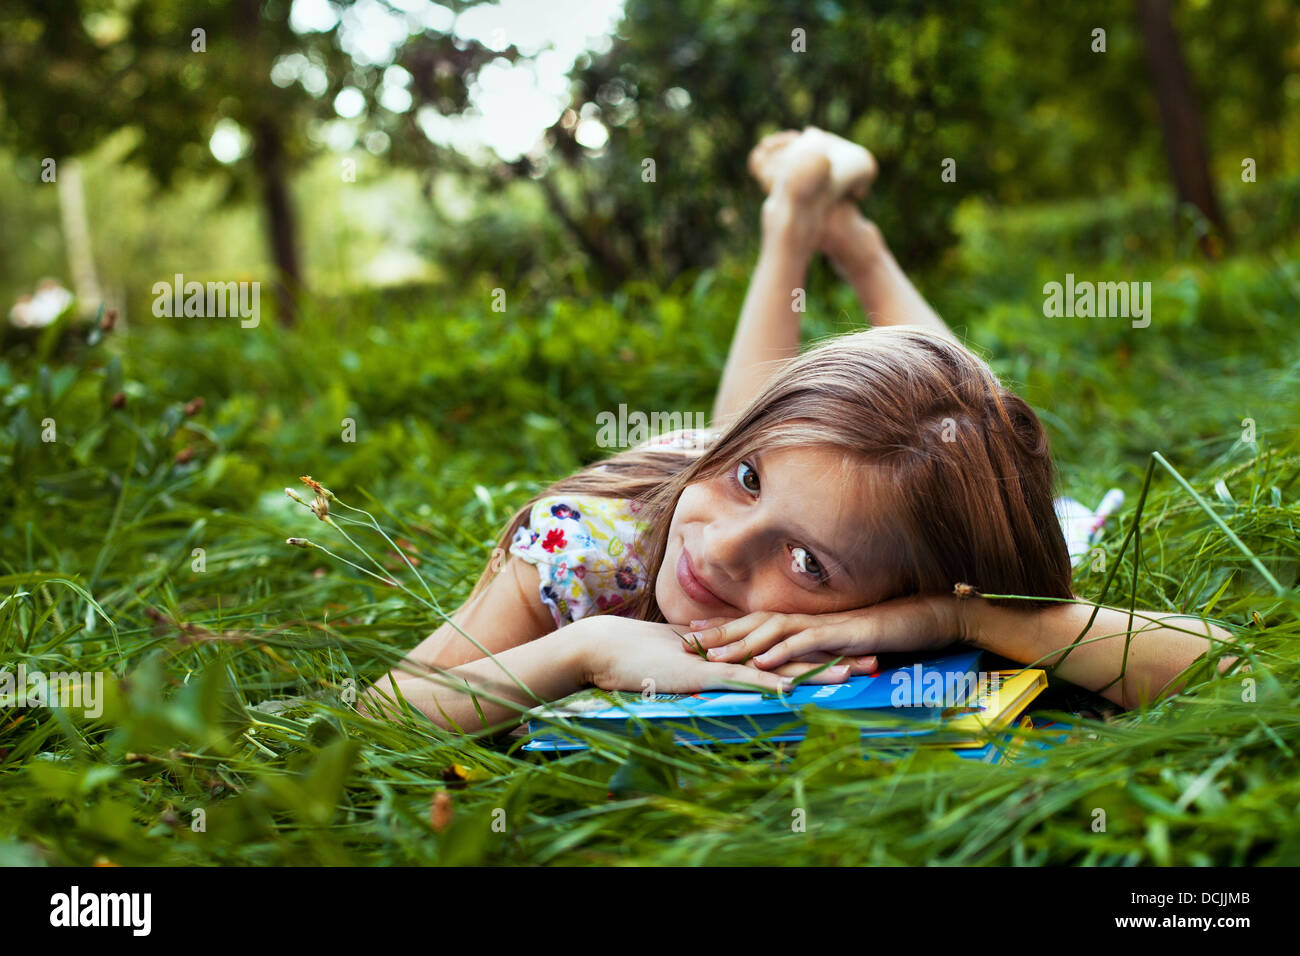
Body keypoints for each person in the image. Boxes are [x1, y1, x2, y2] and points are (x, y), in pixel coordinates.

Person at [360, 127, 1235, 732]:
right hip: (685, 470)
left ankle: (847, 234)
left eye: (809, 563)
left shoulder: (934, 576)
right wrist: (579, 650)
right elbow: (373, 717)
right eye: (749, 484)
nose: (725, 552)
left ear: (883, 595)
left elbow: (1229, 673)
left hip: (804, 475)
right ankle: (793, 218)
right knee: (791, 427)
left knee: (950, 437)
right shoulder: (596, 549)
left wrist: (953, 618)